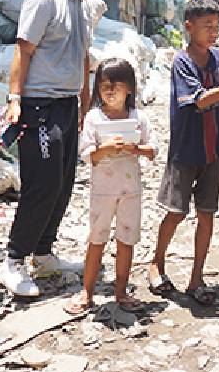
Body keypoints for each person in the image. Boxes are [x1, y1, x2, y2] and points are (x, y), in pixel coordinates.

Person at [0, 0, 115, 298]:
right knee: (42, 182)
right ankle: (14, 259)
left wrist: (84, 102)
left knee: (64, 182)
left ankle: (44, 253)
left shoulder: (83, 2)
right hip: (40, 105)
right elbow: (24, 50)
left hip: (66, 104)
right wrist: (15, 97)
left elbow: (83, 57)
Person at [148, 0, 219, 306]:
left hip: (214, 149)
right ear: (189, 27)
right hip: (186, 149)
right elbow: (200, 100)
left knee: (207, 214)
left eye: (216, 26)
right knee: (176, 211)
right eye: (207, 26)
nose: (214, 32)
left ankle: (197, 277)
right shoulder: (182, 62)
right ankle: (156, 262)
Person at [66, 58, 156, 315]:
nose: (110, 90)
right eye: (105, 85)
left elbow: (153, 149)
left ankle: (120, 291)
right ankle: (87, 291)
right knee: (97, 239)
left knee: (126, 240)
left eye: (117, 84)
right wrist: (104, 149)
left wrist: (134, 148)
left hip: (130, 191)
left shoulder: (139, 118)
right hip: (102, 191)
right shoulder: (94, 118)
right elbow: (87, 154)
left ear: (129, 88)